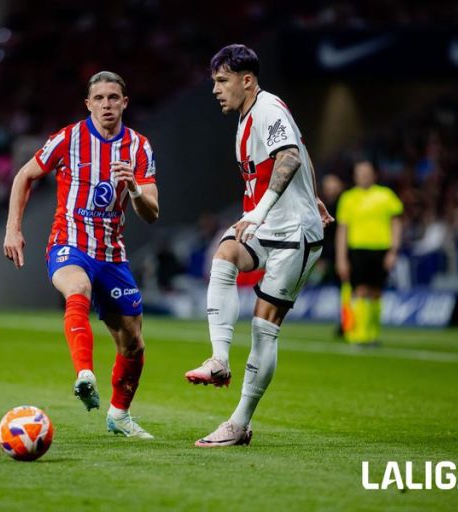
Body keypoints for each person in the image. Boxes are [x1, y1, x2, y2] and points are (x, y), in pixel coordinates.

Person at [185, 44, 333, 447]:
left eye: (222, 81)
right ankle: (219, 360)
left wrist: (263, 211)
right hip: (268, 225)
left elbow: (290, 157)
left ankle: (239, 423)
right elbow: (302, 150)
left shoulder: (268, 109)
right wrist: (314, 195)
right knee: (225, 254)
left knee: (263, 328)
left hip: (295, 235)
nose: (215, 89)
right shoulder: (248, 116)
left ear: (247, 80)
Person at [3, 71, 159, 439]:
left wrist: (134, 189)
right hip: (69, 244)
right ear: (88, 104)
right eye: (99, 98)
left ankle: (119, 415)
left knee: (133, 342)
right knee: (78, 289)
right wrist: (12, 228)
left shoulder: (139, 147)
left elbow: (152, 212)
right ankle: (85, 373)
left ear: (124, 102)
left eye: (113, 97)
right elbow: (24, 176)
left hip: (112, 255)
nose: (107, 104)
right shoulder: (68, 138)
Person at [335, 161, 403, 345]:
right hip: (358, 250)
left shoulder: (386, 195)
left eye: (366, 172)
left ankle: (373, 334)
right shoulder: (348, 198)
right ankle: (360, 335)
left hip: (381, 250)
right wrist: (341, 258)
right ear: (355, 176)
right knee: (360, 291)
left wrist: (394, 250)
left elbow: (396, 223)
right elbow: (342, 230)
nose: (363, 176)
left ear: (374, 175)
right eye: (360, 173)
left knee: (376, 292)